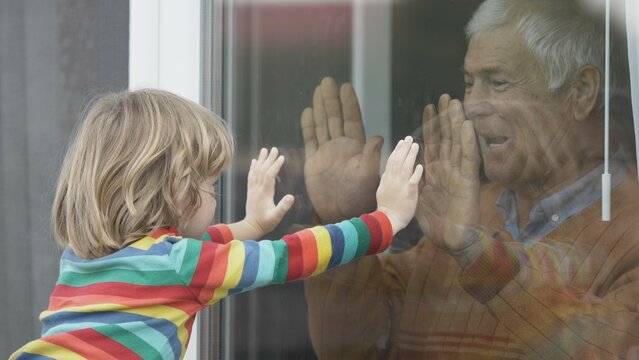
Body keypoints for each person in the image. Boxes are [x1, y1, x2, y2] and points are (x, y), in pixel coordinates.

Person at [303, 0, 639, 358]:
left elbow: (606, 348)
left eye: (498, 82)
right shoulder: (466, 211)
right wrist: (345, 226)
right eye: (469, 83)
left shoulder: (629, 228)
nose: (473, 104)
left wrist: (477, 254)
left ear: (582, 91)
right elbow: (353, 349)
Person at [10, 88, 423, 360]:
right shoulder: (179, 266)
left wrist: (248, 225)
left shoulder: (80, 259)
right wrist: (384, 220)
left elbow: (186, 253)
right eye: (210, 185)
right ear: (176, 190)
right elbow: (291, 257)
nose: (214, 197)